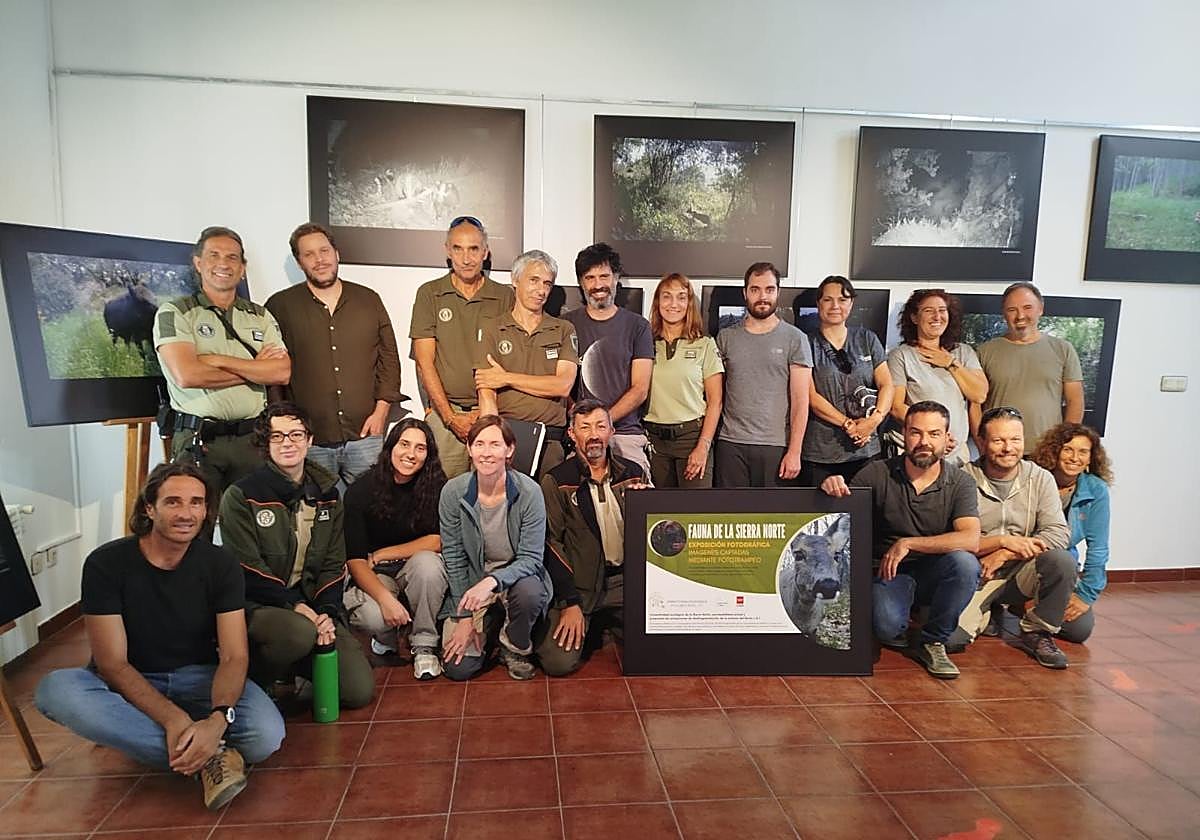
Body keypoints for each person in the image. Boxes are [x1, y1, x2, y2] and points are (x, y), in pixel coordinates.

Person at [35, 463, 284, 810]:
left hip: (200, 676)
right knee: (56, 691)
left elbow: (233, 656)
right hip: (127, 679)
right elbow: (112, 664)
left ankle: (190, 744)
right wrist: (175, 719)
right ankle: (211, 758)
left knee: (266, 737)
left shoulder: (221, 564)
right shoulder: (106, 564)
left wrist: (217, 717)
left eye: (196, 503)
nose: (186, 513)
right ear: (149, 508)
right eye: (173, 502)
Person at [218, 402, 374, 709]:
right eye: (277, 437)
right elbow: (247, 569)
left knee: (358, 691)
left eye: (296, 434)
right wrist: (298, 607)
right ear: (265, 444)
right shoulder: (241, 496)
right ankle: (254, 680)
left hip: (310, 608)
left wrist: (326, 612)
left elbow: (333, 563)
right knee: (298, 632)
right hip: (258, 607)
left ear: (309, 439)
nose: (288, 443)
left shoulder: (329, 494)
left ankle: (294, 663)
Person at [819, 401, 981, 679]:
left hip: (935, 569)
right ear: (903, 434)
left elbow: (970, 539)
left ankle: (934, 640)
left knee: (965, 564)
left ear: (947, 438)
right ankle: (905, 617)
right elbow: (845, 512)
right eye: (916, 433)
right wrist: (830, 485)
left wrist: (908, 543)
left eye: (933, 434)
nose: (924, 442)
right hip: (888, 571)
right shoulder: (877, 473)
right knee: (886, 628)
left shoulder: (960, 482)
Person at [154, 226, 291, 498]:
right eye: (214, 255)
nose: (223, 264)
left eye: (232, 258)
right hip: (200, 440)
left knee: (256, 527)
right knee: (193, 526)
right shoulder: (176, 312)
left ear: (242, 268)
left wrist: (216, 360)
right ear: (198, 263)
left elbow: (282, 372)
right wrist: (256, 369)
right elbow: (187, 375)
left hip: (251, 441)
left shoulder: (259, 315)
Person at [266, 222, 403, 491]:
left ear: (336, 253)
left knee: (371, 512)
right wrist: (286, 427)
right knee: (315, 517)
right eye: (309, 254)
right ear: (299, 261)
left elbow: (389, 358)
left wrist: (381, 411)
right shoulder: (279, 306)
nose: (319, 260)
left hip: (365, 435)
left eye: (324, 251)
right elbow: (272, 375)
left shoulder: (368, 299)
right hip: (310, 439)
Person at [536, 400, 648, 675]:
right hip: (580, 585)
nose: (594, 434)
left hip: (625, 582)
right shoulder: (556, 481)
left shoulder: (634, 473)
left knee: (666, 646)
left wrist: (649, 506)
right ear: (572, 434)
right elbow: (550, 543)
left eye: (600, 426)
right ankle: (591, 620)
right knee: (557, 662)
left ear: (611, 431)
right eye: (585, 427)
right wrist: (570, 602)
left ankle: (604, 624)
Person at [958, 407, 1075, 668]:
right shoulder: (962, 478)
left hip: (1023, 571)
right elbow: (953, 537)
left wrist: (1006, 552)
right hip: (978, 573)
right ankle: (989, 612)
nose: (1008, 448)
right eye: (999, 440)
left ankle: (1037, 631)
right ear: (983, 441)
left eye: (1015, 440)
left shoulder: (1040, 478)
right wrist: (1000, 542)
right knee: (953, 640)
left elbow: (1058, 533)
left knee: (1062, 563)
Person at [439, 415, 552, 681]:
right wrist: (464, 615)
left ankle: (512, 646)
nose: (486, 453)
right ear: (469, 448)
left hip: (514, 580)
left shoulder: (529, 492)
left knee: (530, 592)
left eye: (494, 444)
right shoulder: (453, 492)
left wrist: (491, 581)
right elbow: (453, 556)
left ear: (509, 449)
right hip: (472, 584)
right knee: (459, 669)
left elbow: (532, 559)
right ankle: (488, 626)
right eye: (479, 444)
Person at [342, 418, 450, 680]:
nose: (411, 454)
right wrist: (385, 600)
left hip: (411, 566)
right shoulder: (360, 490)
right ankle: (387, 635)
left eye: (420, 448)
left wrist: (381, 554)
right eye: (404, 444)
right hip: (376, 573)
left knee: (428, 564)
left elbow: (437, 540)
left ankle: (424, 645)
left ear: (428, 455)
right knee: (374, 616)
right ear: (390, 447)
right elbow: (355, 561)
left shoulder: (436, 485)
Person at [410, 216, 513, 478]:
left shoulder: (505, 296)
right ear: (447, 250)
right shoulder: (429, 293)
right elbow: (424, 361)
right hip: (447, 416)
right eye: (458, 248)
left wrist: (487, 411)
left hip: (493, 412)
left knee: (492, 496)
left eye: (474, 249)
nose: (466, 258)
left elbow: (513, 358)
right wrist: (448, 416)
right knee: (443, 496)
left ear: (485, 252)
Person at [474, 249, 579, 475]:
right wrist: (492, 440)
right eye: (534, 280)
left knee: (548, 508)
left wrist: (506, 378)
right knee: (503, 507)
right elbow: (487, 391)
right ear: (515, 280)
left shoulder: (563, 329)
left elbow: (562, 386)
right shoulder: (492, 328)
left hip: (550, 440)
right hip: (506, 434)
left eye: (547, 284)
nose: (541, 290)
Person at [715, 261, 812, 487]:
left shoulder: (795, 338)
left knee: (771, 519)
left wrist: (795, 451)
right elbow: (716, 396)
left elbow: (800, 400)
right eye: (755, 289)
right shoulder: (725, 337)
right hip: (730, 444)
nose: (762, 296)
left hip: (775, 446)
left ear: (778, 292)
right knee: (731, 518)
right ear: (745, 292)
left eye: (769, 289)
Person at [561, 242, 654, 477]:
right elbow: (561, 385)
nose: (598, 285)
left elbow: (640, 389)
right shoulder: (566, 325)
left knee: (636, 503)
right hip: (581, 437)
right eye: (590, 278)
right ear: (581, 283)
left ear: (616, 278)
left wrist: (602, 424)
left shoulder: (638, 326)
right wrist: (586, 427)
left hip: (625, 435)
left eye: (604, 275)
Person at [801, 275, 894, 485]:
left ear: (851, 303)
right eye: (828, 299)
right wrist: (848, 425)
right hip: (821, 453)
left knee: (865, 514)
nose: (835, 306)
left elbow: (886, 384)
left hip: (866, 449)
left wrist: (873, 421)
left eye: (843, 299)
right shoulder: (805, 343)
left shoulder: (867, 339)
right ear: (818, 303)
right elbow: (810, 396)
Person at [976, 282, 1084, 454]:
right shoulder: (984, 352)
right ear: (1004, 313)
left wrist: (1065, 443)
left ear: (1040, 309)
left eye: (1027, 307)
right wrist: (980, 442)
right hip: (1000, 451)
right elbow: (975, 403)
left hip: (1046, 451)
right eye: (1012, 309)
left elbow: (1075, 401)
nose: (1020, 316)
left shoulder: (1063, 349)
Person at [1032, 422, 1113, 644]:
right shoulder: (1035, 477)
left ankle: (1032, 610)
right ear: (1055, 450)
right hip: (1024, 560)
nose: (1074, 457)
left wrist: (1086, 595)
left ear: (1090, 458)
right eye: (1068, 449)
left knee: (1078, 630)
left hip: (1062, 568)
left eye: (1083, 452)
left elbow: (1099, 547)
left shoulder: (1096, 489)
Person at [887, 288, 988, 464]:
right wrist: (936, 436)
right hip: (917, 452)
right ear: (914, 318)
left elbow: (978, 394)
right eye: (928, 311)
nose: (937, 316)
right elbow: (896, 407)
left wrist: (950, 363)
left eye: (942, 310)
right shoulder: (901, 355)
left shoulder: (963, 352)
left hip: (956, 456)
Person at [643, 273, 724, 488]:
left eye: (681, 297)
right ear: (658, 302)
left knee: (692, 514)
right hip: (654, 441)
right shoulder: (644, 344)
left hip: (691, 439)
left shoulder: (705, 344)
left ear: (689, 304)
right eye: (667, 296)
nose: (673, 304)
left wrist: (703, 446)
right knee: (658, 515)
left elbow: (715, 402)